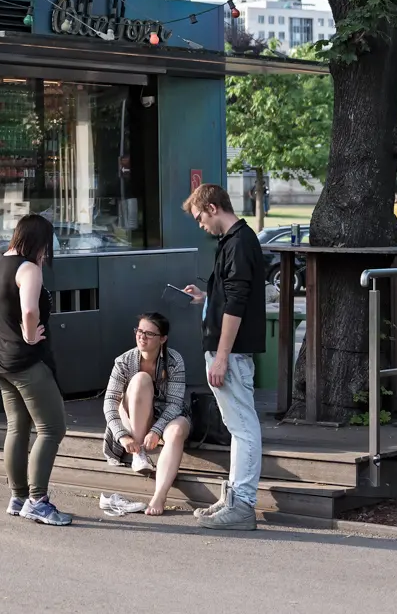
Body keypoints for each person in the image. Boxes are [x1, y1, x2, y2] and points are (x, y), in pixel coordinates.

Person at [181, 183, 266, 531]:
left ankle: (241, 504)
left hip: (229, 352)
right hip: (227, 350)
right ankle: (234, 498)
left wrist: (221, 357)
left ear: (213, 208)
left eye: (200, 218)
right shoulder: (236, 241)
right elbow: (231, 296)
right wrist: (207, 297)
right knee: (239, 427)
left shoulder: (238, 243)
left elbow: (237, 302)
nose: (201, 225)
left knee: (243, 428)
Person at [0, 214, 71, 526]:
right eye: (47, 244)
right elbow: (30, 310)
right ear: (39, 242)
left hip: (1, 359)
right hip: (27, 361)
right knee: (52, 428)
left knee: (17, 427)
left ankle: (18, 496)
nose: (48, 251)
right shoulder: (28, 269)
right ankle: (37, 501)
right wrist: (31, 335)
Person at [100, 311, 189, 516]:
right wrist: (122, 436)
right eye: (139, 331)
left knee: (176, 432)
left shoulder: (174, 360)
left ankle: (160, 495)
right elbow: (110, 402)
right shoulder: (123, 361)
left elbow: (175, 404)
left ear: (163, 339)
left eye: (149, 333)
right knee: (140, 379)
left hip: (167, 415)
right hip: (133, 417)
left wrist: (157, 430)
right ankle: (138, 453)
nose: (142, 337)